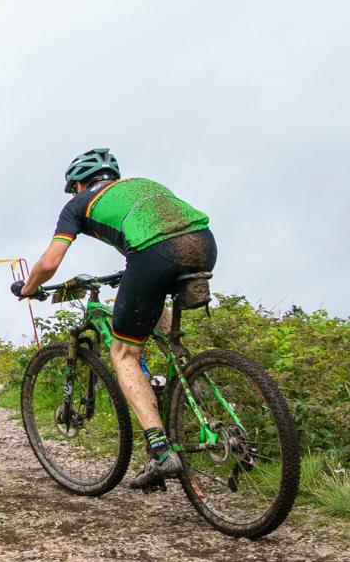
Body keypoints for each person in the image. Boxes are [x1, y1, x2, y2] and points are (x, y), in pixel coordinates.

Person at [12, 148, 218, 491]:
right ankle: (188, 378)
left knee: (124, 355)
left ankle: (160, 451)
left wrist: (28, 288)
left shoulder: (79, 204)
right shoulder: (141, 184)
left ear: (79, 184)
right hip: (203, 242)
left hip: (154, 252)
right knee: (155, 316)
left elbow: (49, 264)